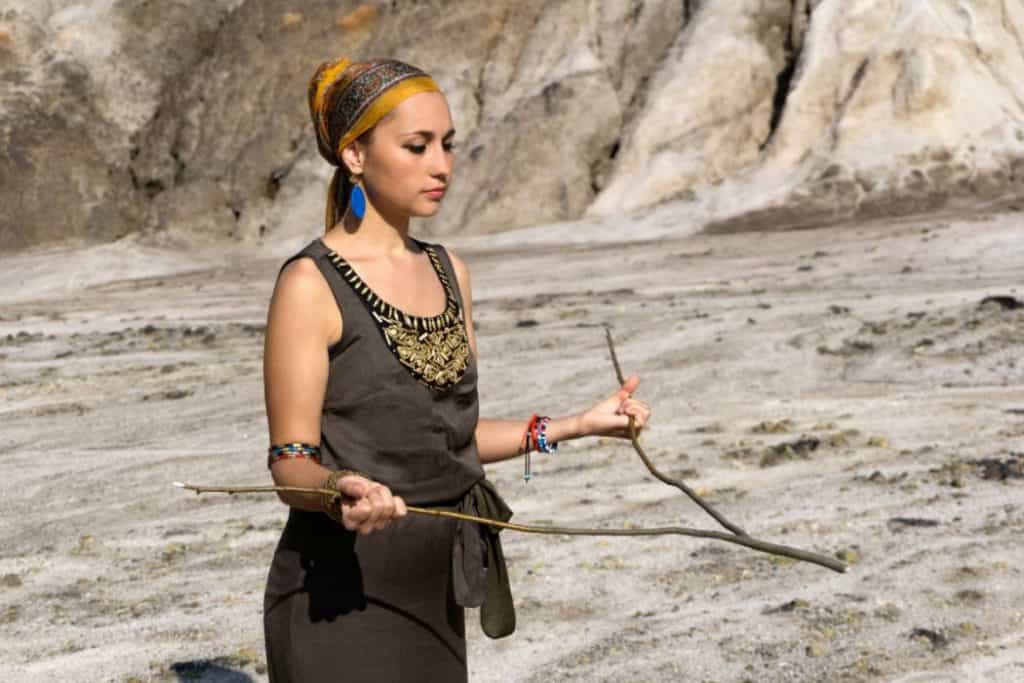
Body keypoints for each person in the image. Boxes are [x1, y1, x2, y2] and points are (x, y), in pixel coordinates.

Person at [261, 56, 652, 683]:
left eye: (447, 145)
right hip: (334, 602)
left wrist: (577, 425)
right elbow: (290, 462)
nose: (441, 165)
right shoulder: (311, 284)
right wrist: (339, 493)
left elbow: (452, 442)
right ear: (355, 155)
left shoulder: (451, 273)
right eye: (416, 146)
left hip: (433, 604)